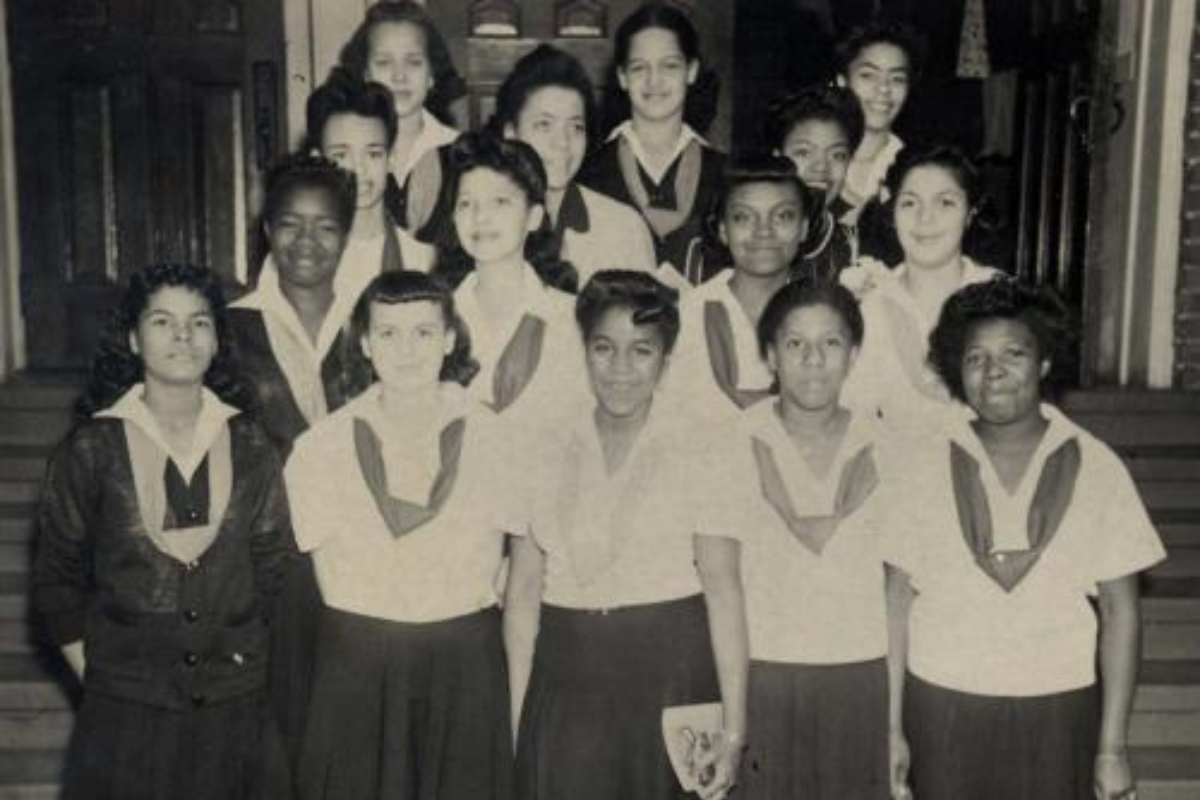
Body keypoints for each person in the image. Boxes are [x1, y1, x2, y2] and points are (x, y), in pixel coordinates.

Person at [884, 278, 1165, 800]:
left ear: (1043, 363)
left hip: (1058, 702)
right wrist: (892, 727)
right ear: (957, 370)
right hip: (943, 698)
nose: (993, 372)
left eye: (1013, 353)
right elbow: (896, 601)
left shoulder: (1097, 466)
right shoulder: (921, 464)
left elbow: (1121, 612)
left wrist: (1112, 748)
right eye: (975, 357)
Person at [33, 263, 292, 799]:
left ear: (218, 340)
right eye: (162, 321)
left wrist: (237, 666)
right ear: (132, 338)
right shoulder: (91, 448)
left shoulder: (250, 444)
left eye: (199, 322)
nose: (182, 336)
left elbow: (275, 571)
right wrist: (110, 680)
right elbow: (57, 583)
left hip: (235, 713)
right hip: (125, 718)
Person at [504, 270, 748, 800]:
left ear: (665, 357)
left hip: (670, 676)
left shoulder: (704, 444)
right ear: (584, 350)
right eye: (604, 349)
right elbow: (523, 593)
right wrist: (517, 722)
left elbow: (724, 588)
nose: (620, 369)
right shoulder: (543, 442)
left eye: (641, 351)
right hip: (566, 675)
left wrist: (733, 730)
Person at [286, 271, 520, 800]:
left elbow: (514, 567)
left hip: (464, 663)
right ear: (365, 343)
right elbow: (319, 577)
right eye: (389, 333)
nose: (407, 350)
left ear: (450, 338)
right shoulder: (321, 447)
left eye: (423, 332)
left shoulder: (497, 439)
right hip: (360, 661)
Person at [714, 279, 902, 800]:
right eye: (795, 344)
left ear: (854, 354)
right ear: (770, 355)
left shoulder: (889, 447)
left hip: (860, 682)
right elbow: (722, 590)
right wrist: (734, 725)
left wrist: (893, 725)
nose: (813, 359)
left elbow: (898, 595)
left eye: (831, 343)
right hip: (763, 680)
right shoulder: (730, 443)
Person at [227, 153, 370, 773]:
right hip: (268, 564)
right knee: (277, 732)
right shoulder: (230, 328)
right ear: (267, 230)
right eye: (290, 224)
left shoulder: (376, 321)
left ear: (347, 234)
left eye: (326, 226)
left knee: (353, 730)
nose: (306, 242)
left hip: (365, 556)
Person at [840, 145, 1002, 434]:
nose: (925, 219)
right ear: (892, 212)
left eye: (945, 203)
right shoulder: (871, 303)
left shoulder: (1001, 296)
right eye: (910, 203)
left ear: (970, 213)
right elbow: (853, 418)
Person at [436, 132, 587, 428]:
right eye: (466, 204)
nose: (480, 217)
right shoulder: (434, 315)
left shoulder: (571, 316)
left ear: (534, 217)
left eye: (500, 202)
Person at [579, 2, 727, 287]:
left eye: (669, 65)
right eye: (639, 68)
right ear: (622, 77)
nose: (654, 80)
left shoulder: (725, 174)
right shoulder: (589, 173)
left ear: (692, 70)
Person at [489, 44, 660, 287]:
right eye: (544, 125)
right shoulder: (481, 218)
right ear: (511, 134)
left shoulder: (623, 228)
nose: (563, 143)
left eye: (576, 127)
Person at [667, 157, 814, 421]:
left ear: (803, 228)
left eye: (783, 216)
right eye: (743, 217)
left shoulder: (828, 316)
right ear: (723, 229)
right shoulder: (685, 316)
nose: (764, 231)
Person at [305, 68, 434, 289]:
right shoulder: (300, 258)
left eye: (373, 154)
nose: (359, 169)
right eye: (341, 155)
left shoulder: (421, 259)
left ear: (391, 159)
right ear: (318, 161)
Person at [338, 0, 465, 218]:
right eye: (384, 62)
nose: (399, 75)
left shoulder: (459, 152)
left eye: (414, 62)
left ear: (432, 75)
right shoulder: (341, 150)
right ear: (365, 75)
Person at [767, 85, 865, 282]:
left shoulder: (856, 250)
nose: (821, 167)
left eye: (837, 155)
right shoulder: (745, 240)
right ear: (778, 158)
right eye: (804, 153)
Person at [834, 20, 924, 224]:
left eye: (897, 78)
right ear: (842, 82)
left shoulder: (916, 169)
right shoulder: (812, 161)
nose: (884, 89)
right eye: (868, 75)